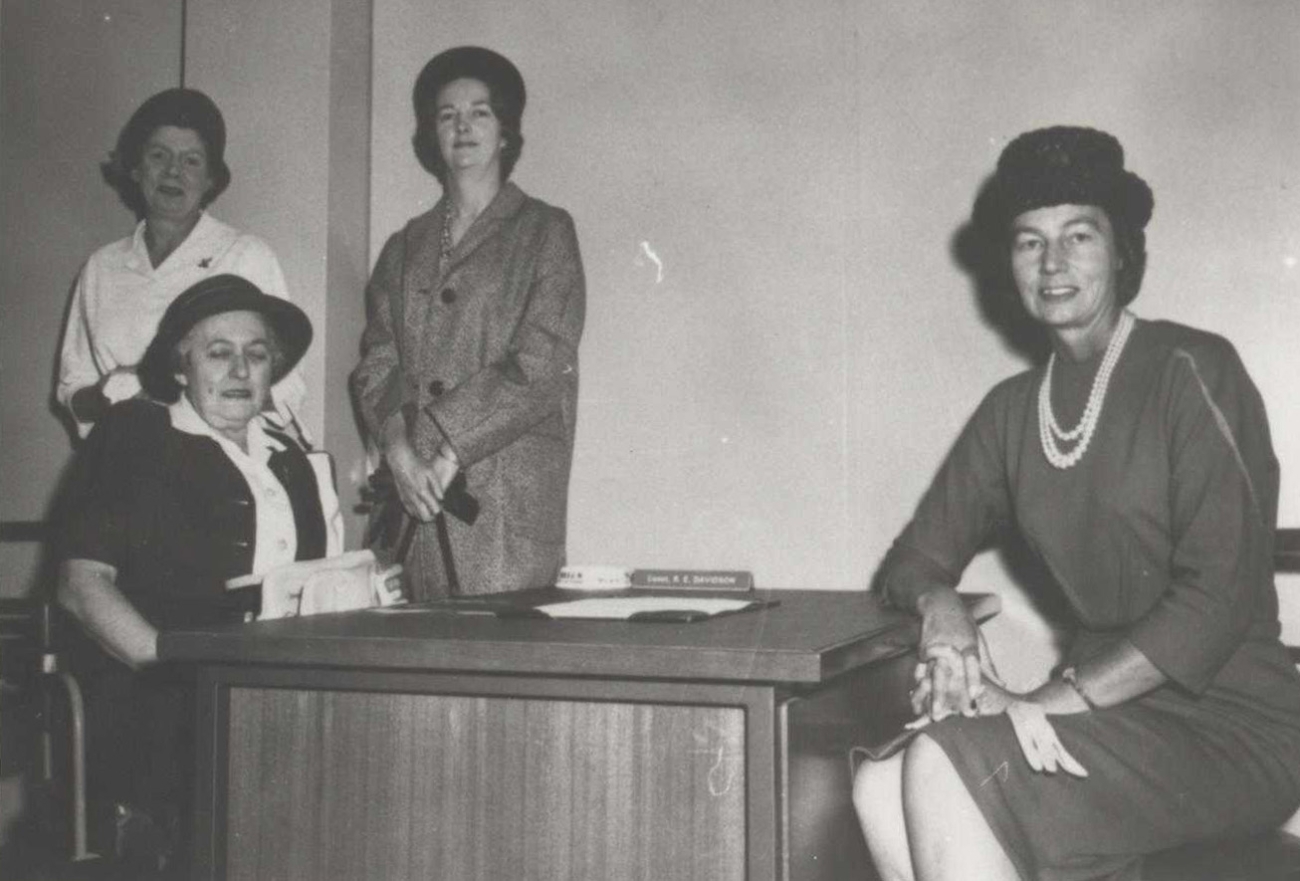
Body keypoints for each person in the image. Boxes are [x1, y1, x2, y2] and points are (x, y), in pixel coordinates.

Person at [852, 126, 1300, 881]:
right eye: (1029, 242)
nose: (1052, 263)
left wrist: (1045, 701)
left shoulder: (1192, 369)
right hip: (1109, 716)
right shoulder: (1010, 411)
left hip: (1231, 724)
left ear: (1121, 251)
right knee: (875, 785)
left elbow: (1216, 599)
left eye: (1078, 235)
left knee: (935, 763)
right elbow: (913, 559)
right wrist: (946, 616)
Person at [56, 274, 339, 876]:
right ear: (180, 367)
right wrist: (181, 671)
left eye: (256, 354)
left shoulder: (293, 456)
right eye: (218, 352)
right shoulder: (137, 434)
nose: (240, 369)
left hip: (280, 692)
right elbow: (82, 585)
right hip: (161, 692)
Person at [351, 46, 585, 599]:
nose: (463, 126)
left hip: (501, 510)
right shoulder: (403, 246)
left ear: (506, 131)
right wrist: (400, 454)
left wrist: (447, 450)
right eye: (446, 114)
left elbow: (540, 362)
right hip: (410, 506)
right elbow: (376, 364)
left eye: (479, 111)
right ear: (430, 135)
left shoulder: (546, 232)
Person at [57, 87, 305, 438]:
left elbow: (286, 390)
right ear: (135, 168)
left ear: (210, 180)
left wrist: (181, 400)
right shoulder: (102, 266)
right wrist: (108, 396)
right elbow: (72, 387)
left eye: (191, 160)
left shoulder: (245, 255)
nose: (173, 172)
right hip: (123, 458)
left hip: (217, 463)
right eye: (159, 156)